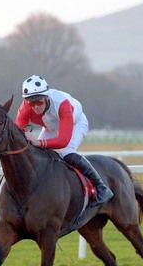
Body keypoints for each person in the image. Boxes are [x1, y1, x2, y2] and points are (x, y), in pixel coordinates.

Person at [15, 75, 113, 207]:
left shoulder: (62, 103)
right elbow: (18, 133)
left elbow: (63, 141)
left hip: (76, 124)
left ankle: (101, 187)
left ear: (46, 97)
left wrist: (38, 142)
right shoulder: (25, 108)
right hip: (50, 127)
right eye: (32, 103)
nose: (36, 106)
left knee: (66, 153)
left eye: (39, 102)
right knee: (36, 153)